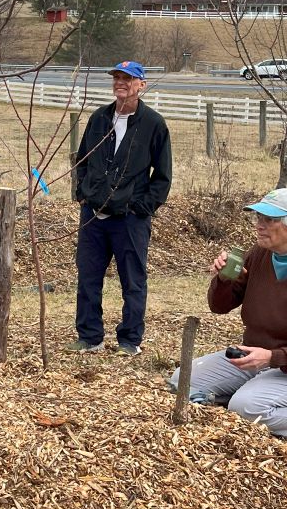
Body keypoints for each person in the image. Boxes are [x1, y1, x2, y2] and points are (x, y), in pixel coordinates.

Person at [71, 59, 172, 356]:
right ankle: (90, 337)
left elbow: (163, 175)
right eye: (116, 77)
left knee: (133, 281)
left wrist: (142, 207)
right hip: (93, 216)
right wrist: (82, 193)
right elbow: (83, 159)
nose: (121, 83)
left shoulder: (153, 124)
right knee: (88, 277)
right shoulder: (99, 118)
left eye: (128, 78)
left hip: (130, 219)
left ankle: (129, 340)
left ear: (141, 84)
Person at [167, 189, 287, 436]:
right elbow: (219, 307)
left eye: (269, 220)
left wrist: (273, 357)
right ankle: (249, 394)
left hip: (281, 363)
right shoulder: (258, 254)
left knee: (247, 407)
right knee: (183, 380)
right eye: (258, 218)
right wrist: (224, 279)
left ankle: (249, 400)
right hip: (253, 355)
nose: (259, 226)